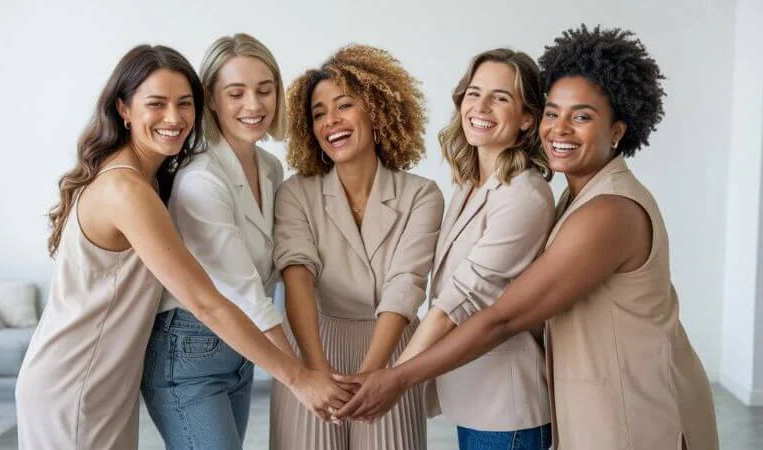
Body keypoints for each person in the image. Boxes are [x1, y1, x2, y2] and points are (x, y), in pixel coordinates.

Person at [335, 25, 719, 450]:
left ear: (617, 131)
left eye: (583, 116)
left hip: (635, 407)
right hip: (588, 400)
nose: (560, 128)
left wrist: (397, 377)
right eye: (554, 113)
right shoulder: (572, 199)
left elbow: (505, 316)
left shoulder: (608, 213)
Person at [15, 44, 351, 450]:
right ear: (124, 109)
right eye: (156, 104)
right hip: (74, 377)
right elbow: (205, 301)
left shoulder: (153, 179)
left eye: (184, 103)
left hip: (109, 374)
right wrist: (298, 377)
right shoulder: (127, 190)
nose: (174, 118)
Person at [269, 44, 443, 450]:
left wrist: (372, 374)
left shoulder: (422, 195)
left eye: (344, 105)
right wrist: (315, 370)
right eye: (318, 113)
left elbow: (405, 285)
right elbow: (297, 277)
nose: (331, 121)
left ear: (377, 110)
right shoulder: (296, 193)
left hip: (392, 349)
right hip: (313, 340)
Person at [139, 33, 296, 450]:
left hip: (241, 346)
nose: (254, 105)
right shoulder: (201, 178)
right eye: (237, 93)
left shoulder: (270, 167)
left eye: (265, 90)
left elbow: (275, 266)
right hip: (190, 349)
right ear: (210, 98)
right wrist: (300, 375)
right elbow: (244, 292)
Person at [392, 48, 554, 450]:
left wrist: (393, 378)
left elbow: (456, 301)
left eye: (500, 97)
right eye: (473, 93)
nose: (480, 106)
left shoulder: (524, 196)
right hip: (473, 395)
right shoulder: (468, 184)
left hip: (506, 406)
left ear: (528, 118)